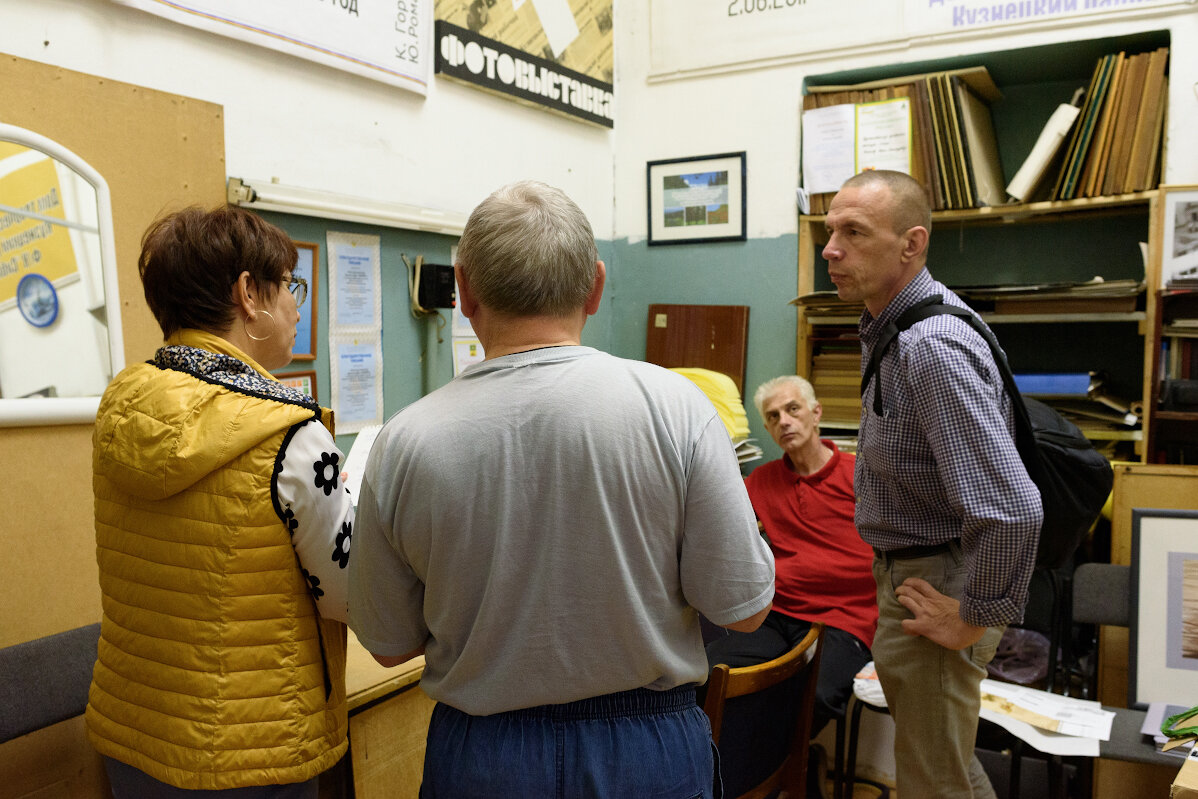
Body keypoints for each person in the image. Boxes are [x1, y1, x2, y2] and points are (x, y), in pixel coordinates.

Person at [348, 180, 775, 799]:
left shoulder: (403, 441)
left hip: (483, 758)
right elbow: (745, 607)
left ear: (464, 290)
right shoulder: (678, 409)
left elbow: (387, 648)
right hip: (647, 754)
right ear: (597, 286)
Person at [86, 206, 355, 798]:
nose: (295, 306)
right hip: (252, 750)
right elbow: (349, 592)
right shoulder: (291, 436)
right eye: (290, 286)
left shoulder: (122, 412)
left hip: (135, 735)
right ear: (248, 296)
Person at [822, 169, 1042, 798]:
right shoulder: (889, 324)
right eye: (830, 230)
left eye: (854, 232)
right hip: (920, 572)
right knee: (939, 766)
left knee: (932, 781)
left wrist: (976, 616)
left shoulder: (929, 345)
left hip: (938, 582)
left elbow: (1013, 508)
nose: (831, 250)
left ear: (910, 244)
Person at [706, 374, 876, 737]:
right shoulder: (760, 482)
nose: (783, 420)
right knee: (710, 674)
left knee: (815, 696)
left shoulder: (861, 474)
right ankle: (746, 776)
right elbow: (721, 528)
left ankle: (786, 776)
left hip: (844, 618)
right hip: (777, 612)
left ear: (816, 414)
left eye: (792, 409)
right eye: (772, 416)